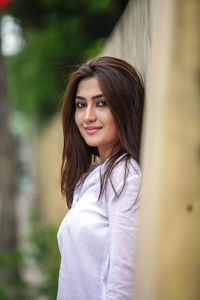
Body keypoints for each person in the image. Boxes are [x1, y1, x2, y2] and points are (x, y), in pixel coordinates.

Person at [57, 56, 144, 300]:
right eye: (81, 105)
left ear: (125, 107)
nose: (88, 117)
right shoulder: (92, 176)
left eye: (102, 103)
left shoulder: (126, 177)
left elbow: (123, 283)